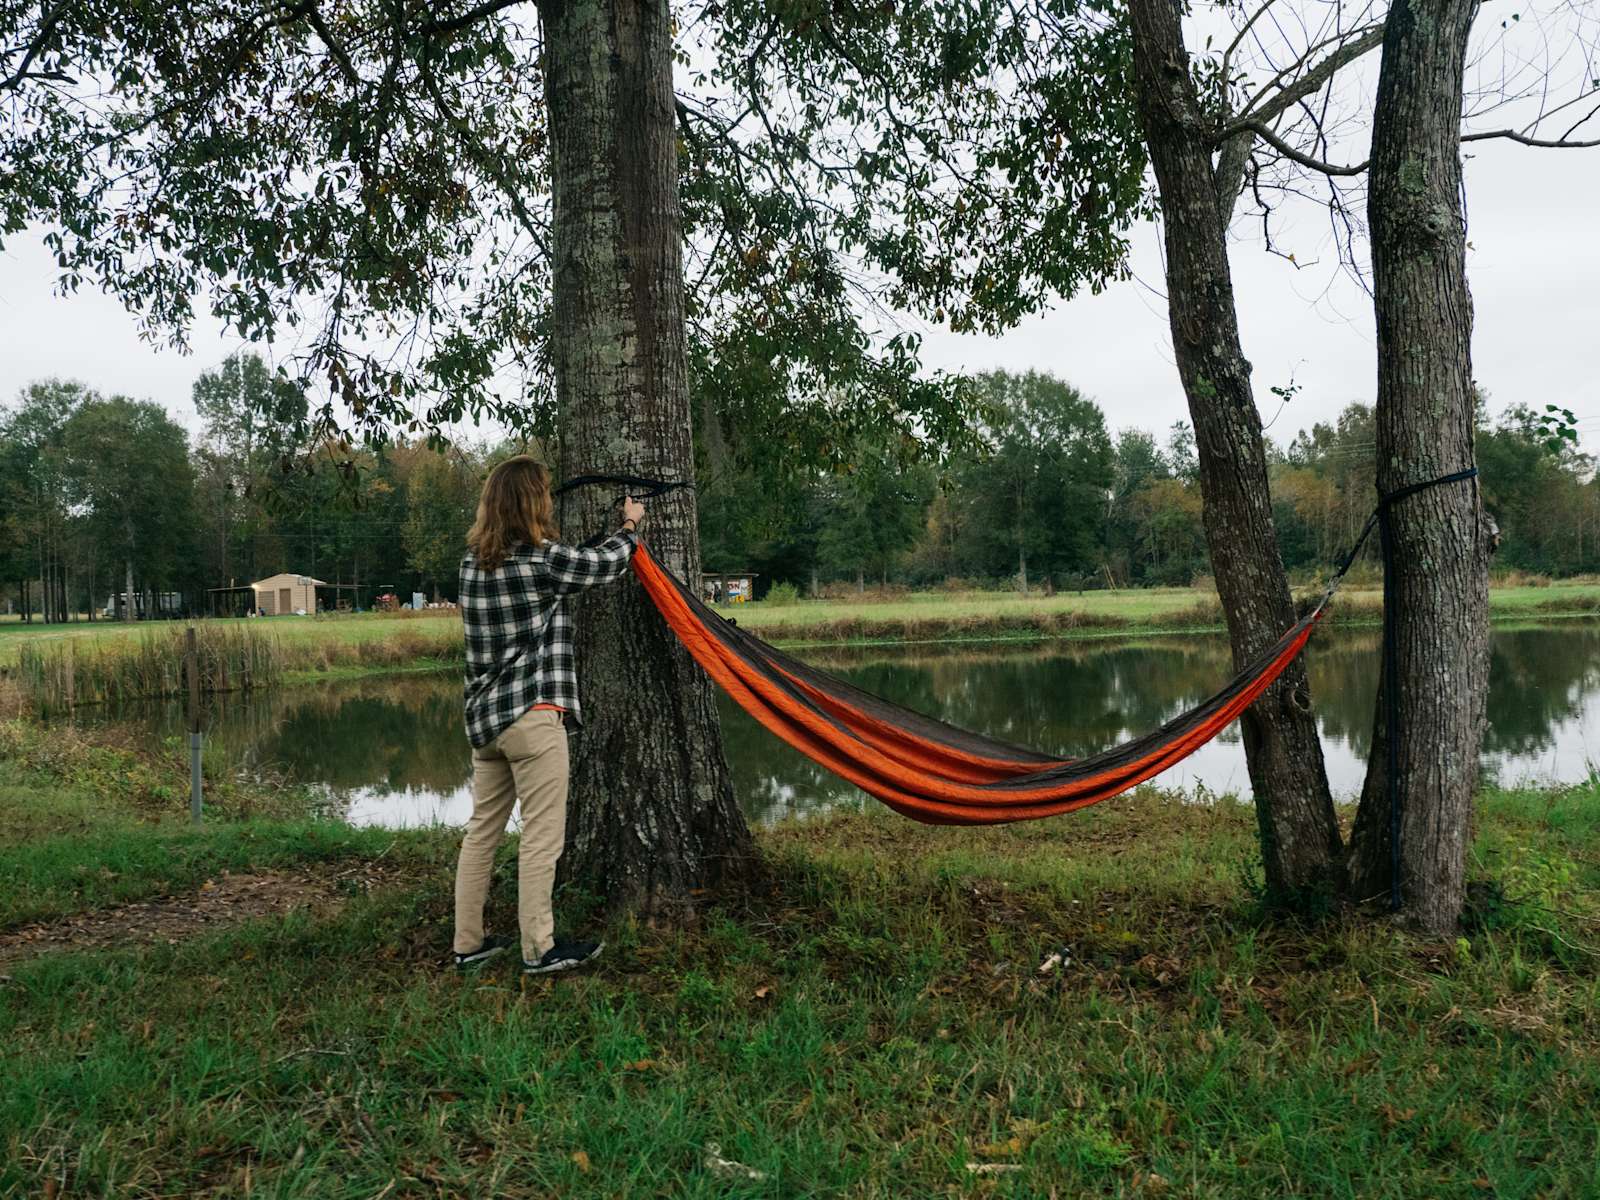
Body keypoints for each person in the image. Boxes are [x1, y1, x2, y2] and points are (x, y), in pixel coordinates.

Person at [452, 455, 645, 975]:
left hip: (485, 723)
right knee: (542, 837)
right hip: (534, 719)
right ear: (532, 504)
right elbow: (603, 565)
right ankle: (539, 949)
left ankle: (467, 943)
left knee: (481, 833)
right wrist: (629, 525)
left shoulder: (470, 565)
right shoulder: (543, 560)